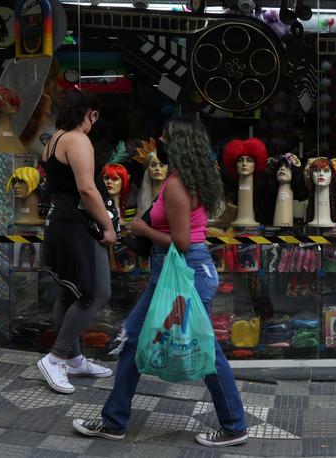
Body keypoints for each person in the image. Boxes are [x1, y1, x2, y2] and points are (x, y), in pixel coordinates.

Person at [72, 118, 247, 447]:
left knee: (204, 349)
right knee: (133, 339)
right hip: (176, 273)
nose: (158, 140)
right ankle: (114, 421)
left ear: (178, 144)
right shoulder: (188, 181)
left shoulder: (179, 186)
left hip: (184, 272)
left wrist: (142, 230)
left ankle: (235, 425)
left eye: (164, 136)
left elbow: (181, 242)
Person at [38, 89, 116, 395]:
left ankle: (73, 359)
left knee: (70, 293)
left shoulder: (53, 140)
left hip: (59, 223)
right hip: (77, 226)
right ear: (92, 114)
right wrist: (108, 226)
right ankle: (56, 358)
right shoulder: (78, 140)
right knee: (96, 291)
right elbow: (87, 189)